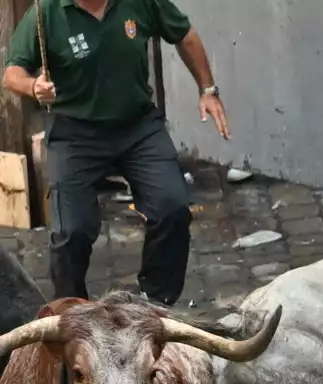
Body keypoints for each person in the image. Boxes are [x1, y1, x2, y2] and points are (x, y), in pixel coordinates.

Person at [3, 0, 229, 307]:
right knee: (72, 231)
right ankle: (70, 315)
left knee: (172, 207)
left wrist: (207, 90)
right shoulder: (46, 12)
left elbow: (185, 35)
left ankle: (155, 301)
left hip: (137, 127)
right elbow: (12, 73)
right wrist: (34, 87)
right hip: (75, 133)